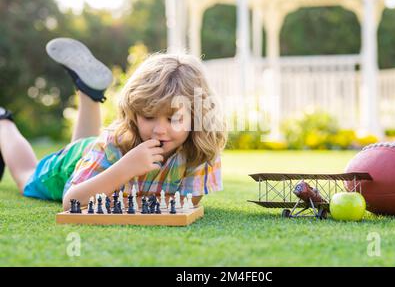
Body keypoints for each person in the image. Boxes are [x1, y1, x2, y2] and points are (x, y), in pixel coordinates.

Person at [0, 38, 227, 211]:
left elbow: (190, 202)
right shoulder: (114, 143)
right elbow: (72, 201)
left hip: (93, 155)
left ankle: (89, 93)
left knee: (85, 145)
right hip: (77, 162)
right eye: (149, 117)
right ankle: (4, 123)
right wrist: (127, 167)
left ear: (196, 116)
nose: (159, 130)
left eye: (173, 119)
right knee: (25, 175)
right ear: (134, 112)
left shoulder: (201, 148)